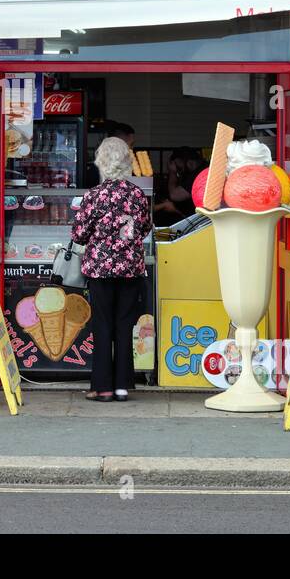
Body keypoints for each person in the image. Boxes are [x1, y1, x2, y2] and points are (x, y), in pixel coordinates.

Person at [71, 136, 153, 403]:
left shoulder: (94, 196)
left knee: (103, 326)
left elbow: (80, 234)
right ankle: (122, 386)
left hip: (100, 271)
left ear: (102, 163)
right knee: (124, 325)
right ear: (127, 163)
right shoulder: (137, 194)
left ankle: (102, 387)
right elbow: (144, 229)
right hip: (131, 270)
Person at [153, 146, 202, 226]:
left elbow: (174, 195)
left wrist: (172, 172)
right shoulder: (194, 172)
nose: (179, 171)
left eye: (179, 167)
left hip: (195, 222)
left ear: (189, 162)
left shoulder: (197, 174)